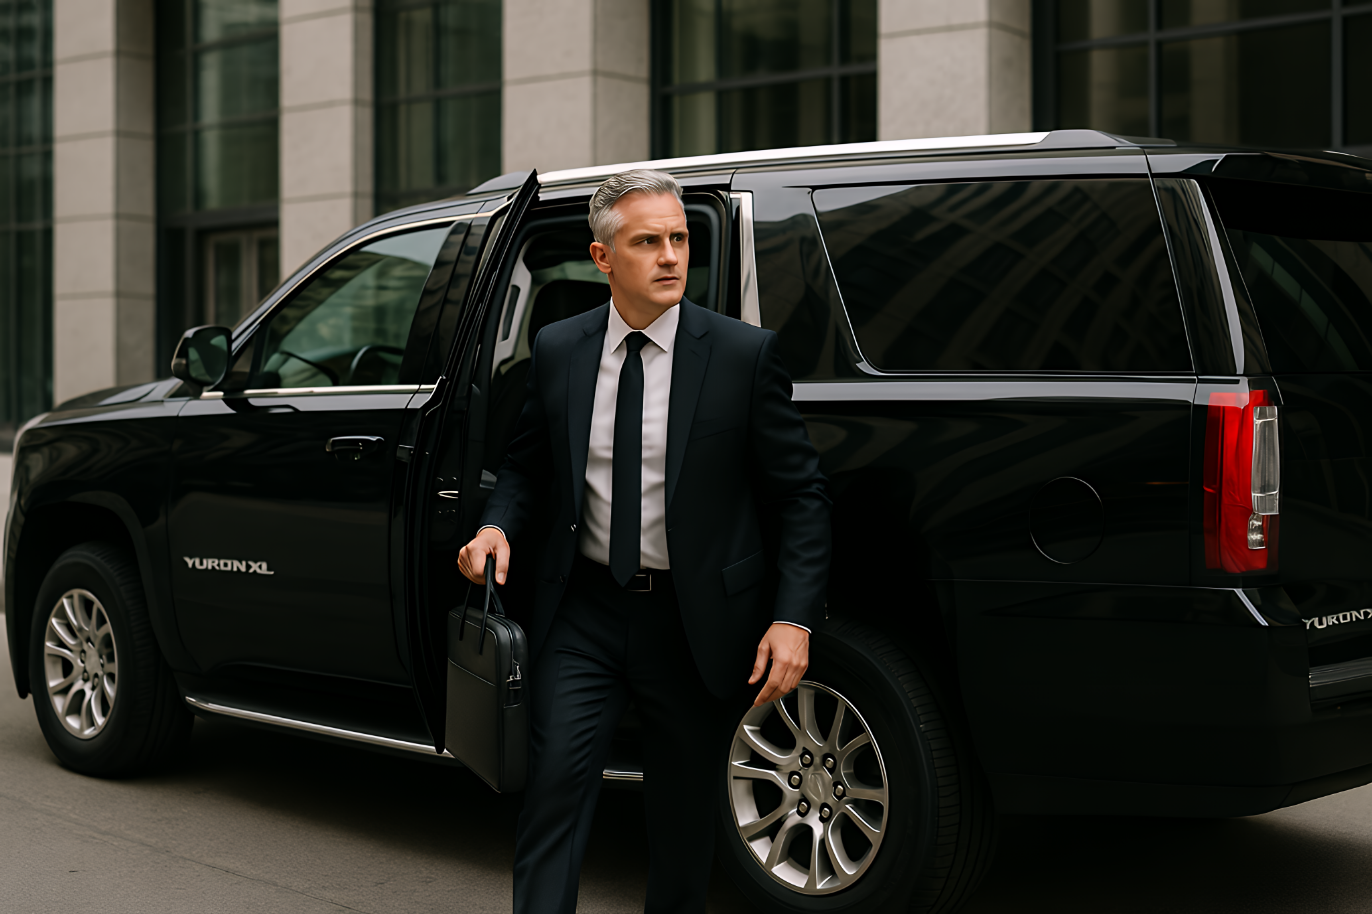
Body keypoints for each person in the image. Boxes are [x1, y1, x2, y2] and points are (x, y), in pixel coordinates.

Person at [457, 169, 831, 914]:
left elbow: (801, 497)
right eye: (647, 242)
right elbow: (526, 466)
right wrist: (496, 524)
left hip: (693, 624)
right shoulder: (561, 348)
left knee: (683, 822)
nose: (670, 256)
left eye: (679, 239)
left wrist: (794, 618)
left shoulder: (741, 355)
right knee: (554, 793)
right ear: (603, 258)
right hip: (584, 614)